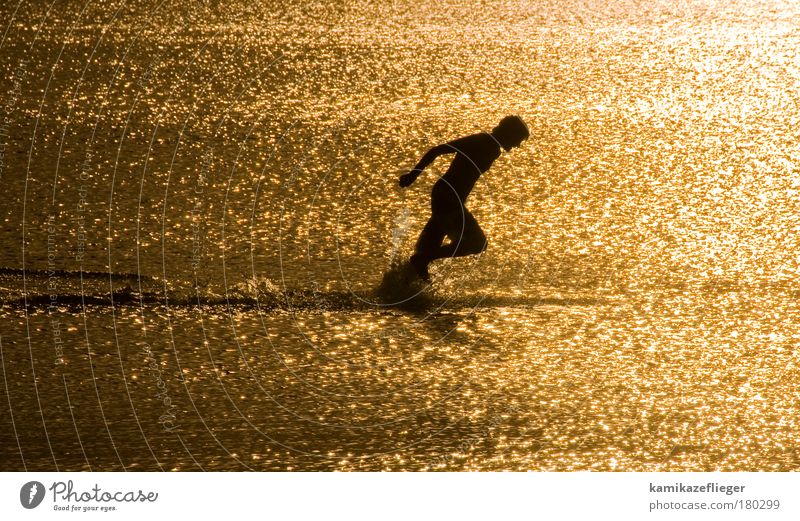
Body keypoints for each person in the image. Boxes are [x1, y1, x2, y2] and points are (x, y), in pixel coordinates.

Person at [399, 115, 529, 282]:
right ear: (508, 133)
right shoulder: (482, 141)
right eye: (517, 140)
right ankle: (421, 261)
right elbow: (437, 150)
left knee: (427, 249)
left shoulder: (493, 149)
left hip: (450, 198)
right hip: (447, 197)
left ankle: (402, 291)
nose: (517, 145)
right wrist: (413, 175)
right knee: (478, 244)